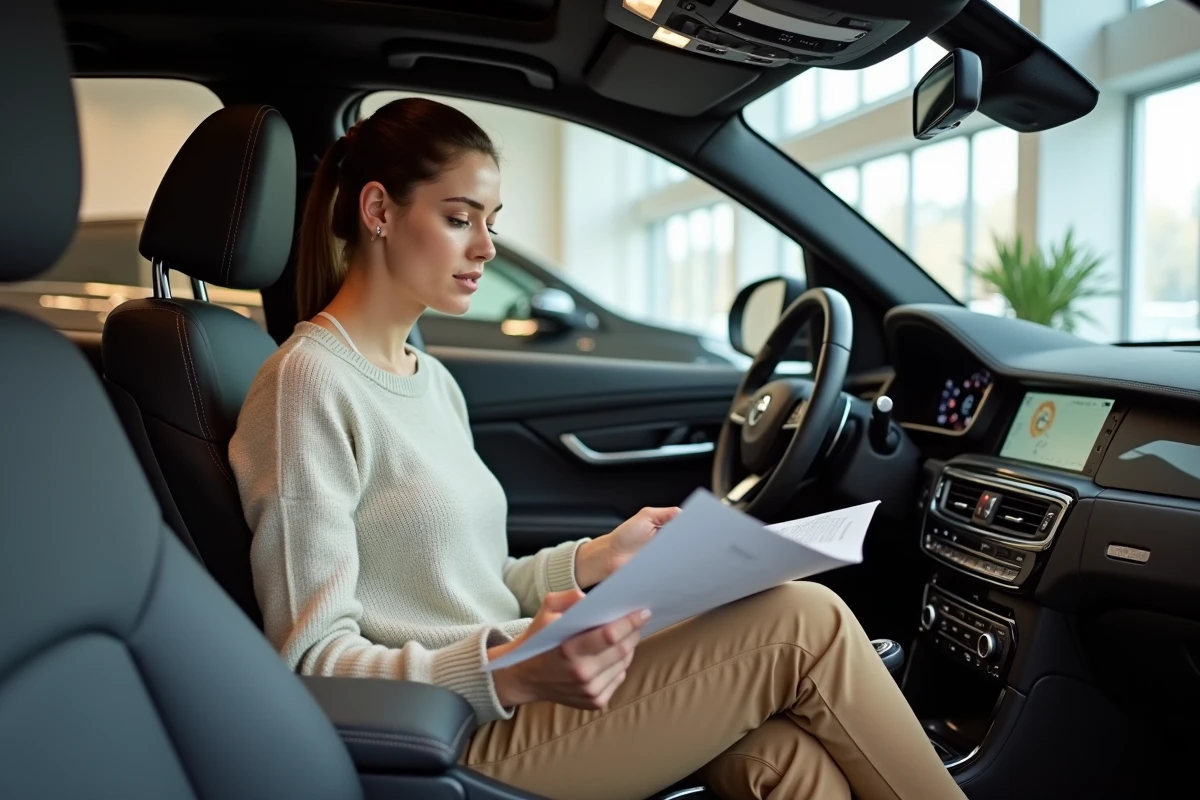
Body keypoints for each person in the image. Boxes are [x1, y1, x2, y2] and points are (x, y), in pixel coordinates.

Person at [228, 97, 966, 800]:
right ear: (379, 211)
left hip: (507, 698)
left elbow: (472, 585)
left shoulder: (430, 380)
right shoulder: (308, 383)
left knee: (784, 759)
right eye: (459, 218)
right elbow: (312, 662)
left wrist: (597, 558)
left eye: (491, 221)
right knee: (805, 621)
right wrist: (507, 671)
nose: (487, 246)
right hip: (451, 735)